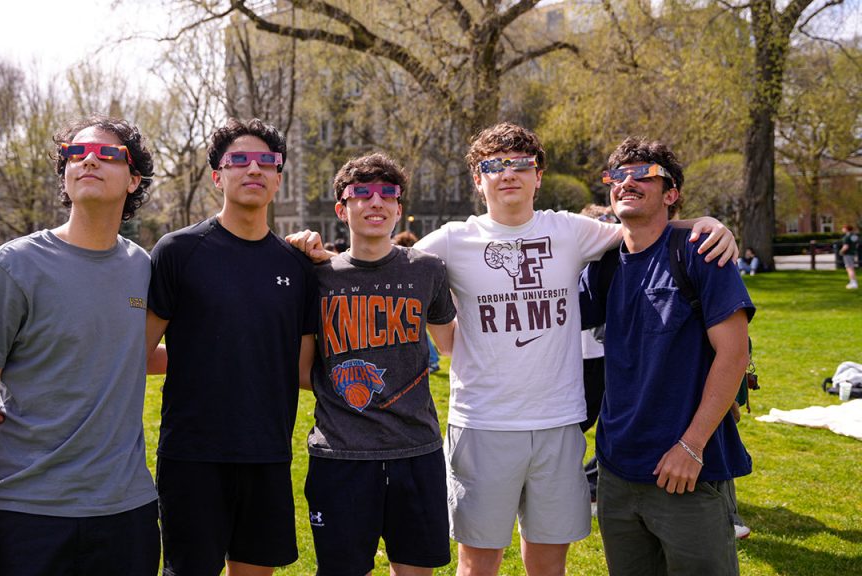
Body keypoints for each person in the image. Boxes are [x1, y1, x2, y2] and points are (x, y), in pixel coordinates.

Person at [287, 123, 738, 576]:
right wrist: (319, 252)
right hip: (482, 423)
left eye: (521, 163)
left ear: (538, 176)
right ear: (477, 180)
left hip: (560, 424)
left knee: (548, 562)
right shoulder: (449, 241)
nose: (508, 173)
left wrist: (705, 224)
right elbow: (378, 263)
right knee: (478, 562)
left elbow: (641, 226)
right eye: (493, 165)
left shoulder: (572, 231)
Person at [0, 115, 161, 576]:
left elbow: (129, 353)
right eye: (76, 152)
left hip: (127, 511)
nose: (89, 158)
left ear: (133, 179)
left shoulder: (143, 268)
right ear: (64, 172)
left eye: (108, 153)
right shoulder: (12, 266)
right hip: (27, 510)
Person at [145, 118, 319, 576]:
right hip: (192, 455)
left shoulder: (296, 265)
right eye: (238, 160)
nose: (254, 169)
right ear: (218, 175)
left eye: (267, 162)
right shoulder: (178, 251)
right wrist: (199, 357)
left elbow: (302, 370)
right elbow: (138, 354)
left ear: (279, 178)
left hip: (267, 450)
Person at [585, 137, 753, 575]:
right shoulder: (602, 265)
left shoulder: (700, 253)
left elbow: (734, 356)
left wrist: (691, 447)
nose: (628, 182)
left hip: (685, 471)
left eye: (644, 174)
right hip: (616, 473)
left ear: (671, 193)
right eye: (618, 175)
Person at [304, 153, 456, 575]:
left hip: (417, 449)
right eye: (362, 193)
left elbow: (452, 347)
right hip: (341, 454)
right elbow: (301, 370)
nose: (376, 202)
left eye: (388, 193)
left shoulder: (427, 270)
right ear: (342, 208)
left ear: (399, 207)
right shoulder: (316, 277)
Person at [392, 230, 443, 372]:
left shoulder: (409, 260)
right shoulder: (416, 261)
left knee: (419, 331)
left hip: (410, 300)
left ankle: (432, 360)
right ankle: (431, 360)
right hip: (414, 299)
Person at [840, 225, 859, 289]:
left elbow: (846, 246)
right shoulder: (854, 236)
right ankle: (853, 282)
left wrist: (841, 251)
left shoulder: (846, 237)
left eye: (843, 228)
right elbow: (856, 244)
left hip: (847, 254)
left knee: (849, 268)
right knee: (852, 268)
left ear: (846, 229)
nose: (842, 229)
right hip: (853, 253)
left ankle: (853, 283)